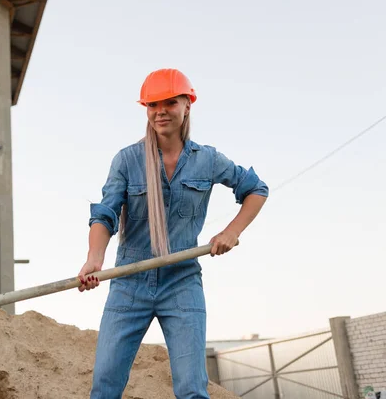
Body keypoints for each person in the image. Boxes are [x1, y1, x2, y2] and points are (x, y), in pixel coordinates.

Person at [77, 68, 269, 399]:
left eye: (170, 102)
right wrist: (95, 258)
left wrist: (231, 232)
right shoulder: (127, 160)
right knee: (105, 386)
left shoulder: (207, 160)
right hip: (129, 282)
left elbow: (256, 189)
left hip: (181, 282)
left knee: (192, 389)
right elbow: (105, 214)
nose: (160, 111)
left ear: (187, 105)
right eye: (152, 105)